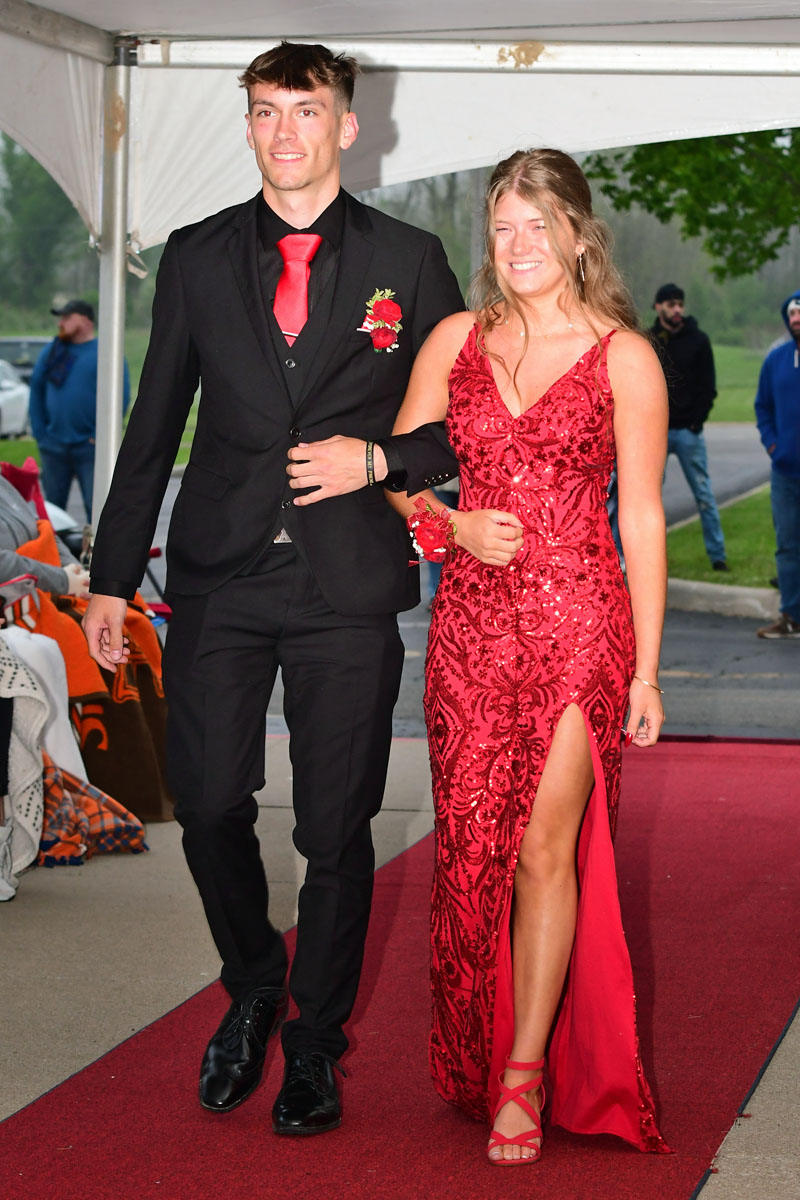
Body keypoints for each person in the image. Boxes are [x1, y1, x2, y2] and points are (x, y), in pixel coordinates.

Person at [82, 41, 463, 1135]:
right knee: (206, 804)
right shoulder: (197, 255)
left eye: (304, 110)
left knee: (336, 830)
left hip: (348, 582)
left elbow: (459, 426)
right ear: (247, 125)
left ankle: (315, 1043)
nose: (284, 131)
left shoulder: (409, 258)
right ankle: (253, 981)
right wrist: (111, 580)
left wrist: (376, 460)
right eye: (264, 111)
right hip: (221, 575)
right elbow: (154, 425)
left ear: (347, 125)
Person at [291, 148, 670, 1165]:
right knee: (471, 851)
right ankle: (479, 1044)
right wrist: (450, 526)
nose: (519, 245)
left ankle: (524, 1074)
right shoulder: (456, 339)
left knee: (544, 847)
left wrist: (644, 670)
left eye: (538, 225)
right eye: (503, 227)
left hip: (581, 626)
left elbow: (640, 516)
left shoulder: (625, 358)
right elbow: (399, 472)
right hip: (469, 626)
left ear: (579, 237)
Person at [28, 299, 130, 520]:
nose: (61, 323)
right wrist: (40, 432)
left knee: (97, 508)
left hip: (90, 447)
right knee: (52, 512)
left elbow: (120, 396)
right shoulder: (53, 350)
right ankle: (54, 545)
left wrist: (99, 435)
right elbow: (36, 389)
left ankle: (96, 543)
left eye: (66, 318)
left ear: (84, 321)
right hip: (53, 445)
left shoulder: (106, 352)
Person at [651, 283, 728, 570]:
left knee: (704, 495)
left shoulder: (698, 340)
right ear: (658, 307)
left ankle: (717, 556)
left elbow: (709, 386)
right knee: (647, 498)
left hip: (688, 431)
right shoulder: (649, 340)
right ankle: (646, 560)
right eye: (671, 304)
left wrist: (697, 420)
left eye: (680, 304)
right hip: (655, 432)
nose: (677, 309)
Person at [754, 291, 800, 638]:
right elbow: (763, 407)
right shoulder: (776, 360)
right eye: (792, 314)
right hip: (785, 472)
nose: (796, 318)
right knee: (787, 546)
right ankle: (791, 616)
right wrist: (774, 446)